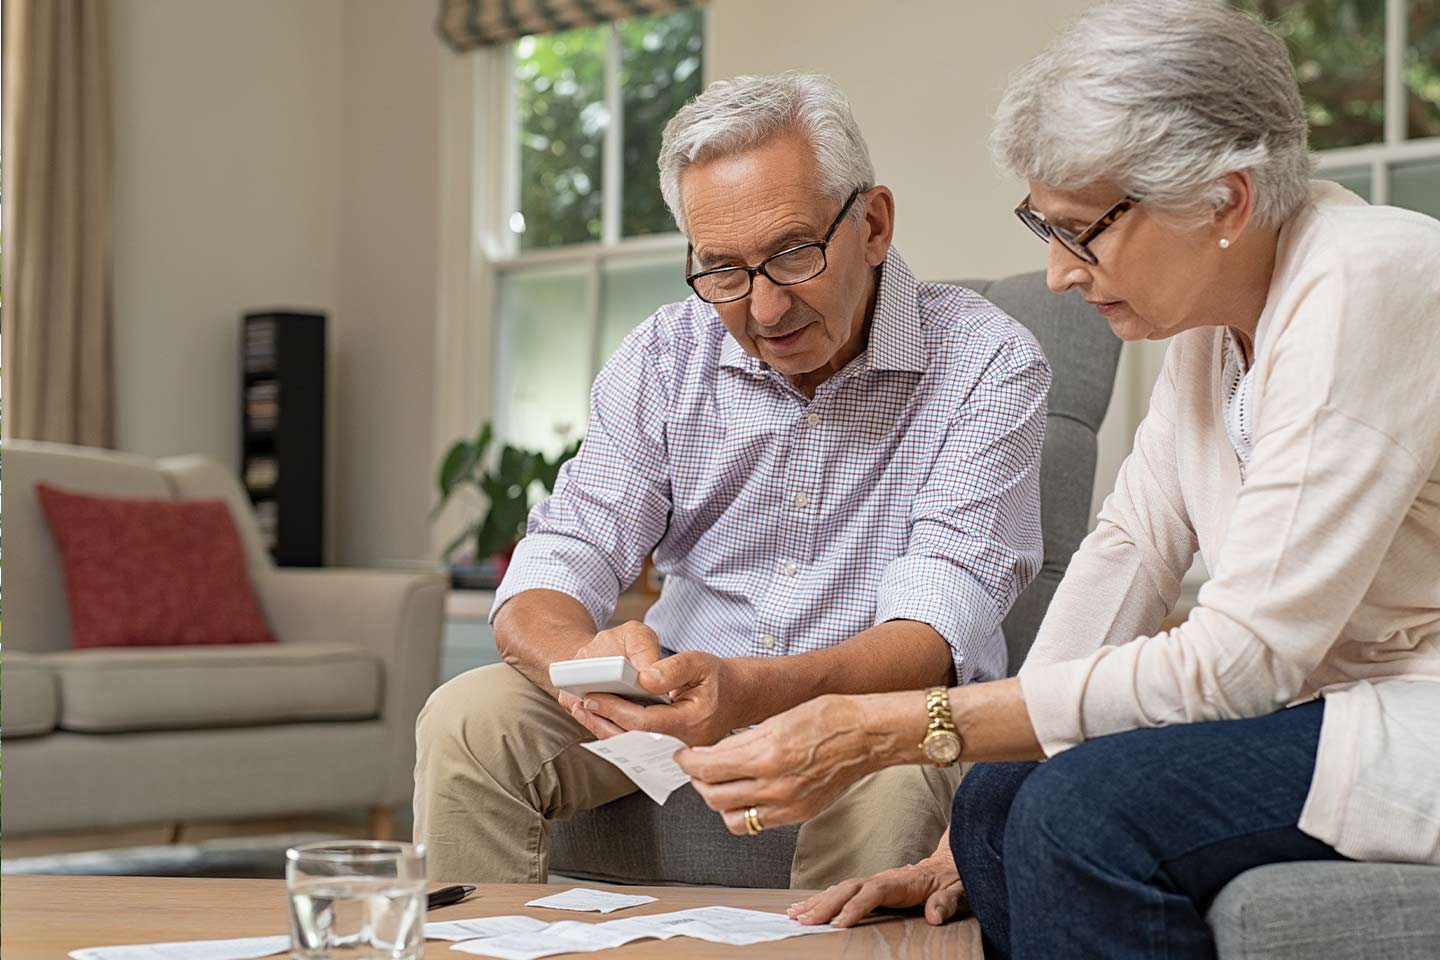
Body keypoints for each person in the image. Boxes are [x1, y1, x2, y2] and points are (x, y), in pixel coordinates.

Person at [676, 3, 1440, 957]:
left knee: (1082, 815)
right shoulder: (1215, 328)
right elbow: (1130, 549)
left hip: (1420, 716)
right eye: (1046, 225)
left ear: (1227, 202)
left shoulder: (1368, 285)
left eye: (1083, 231)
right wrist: (965, 814)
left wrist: (895, 727)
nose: (1058, 274)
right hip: (1330, 706)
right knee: (1000, 797)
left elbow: (1244, 659)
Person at [413, 71, 1053, 888]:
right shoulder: (663, 355)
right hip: (675, 697)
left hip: (872, 712)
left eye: (792, 254)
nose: (764, 309)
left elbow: (933, 630)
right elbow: (565, 550)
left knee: (898, 771)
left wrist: (750, 693)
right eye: (721, 270)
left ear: (874, 224)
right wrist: (587, 666)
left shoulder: (987, 362)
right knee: (470, 719)